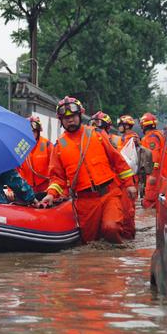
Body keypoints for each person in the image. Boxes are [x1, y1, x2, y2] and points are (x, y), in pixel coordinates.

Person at [39, 97, 137, 244]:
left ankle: (116, 261)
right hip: (85, 202)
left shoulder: (96, 134)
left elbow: (117, 160)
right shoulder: (59, 145)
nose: (70, 120)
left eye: (72, 116)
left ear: (79, 115)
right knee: (91, 242)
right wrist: (51, 195)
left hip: (109, 194)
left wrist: (129, 184)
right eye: (66, 118)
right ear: (61, 121)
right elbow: (57, 178)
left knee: (111, 228)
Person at [94, 110, 136, 239]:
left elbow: (124, 161)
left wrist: (129, 183)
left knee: (126, 213)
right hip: (100, 187)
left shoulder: (117, 140)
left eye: (99, 126)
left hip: (119, 183)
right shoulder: (88, 141)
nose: (95, 129)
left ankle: (128, 238)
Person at [16, 116, 53, 196]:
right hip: (27, 189)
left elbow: (56, 168)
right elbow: (15, 171)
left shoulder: (47, 145)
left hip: (45, 188)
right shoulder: (20, 147)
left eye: (34, 131)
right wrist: (10, 190)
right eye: (28, 132)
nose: (31, 134)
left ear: (38, 132)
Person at [140, 112, 166, 209]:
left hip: (154, 172)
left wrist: (152, 175)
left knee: (150, 198)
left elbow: (154, 156)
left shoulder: (152, 137)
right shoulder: (156, 135)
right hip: (155, 171)